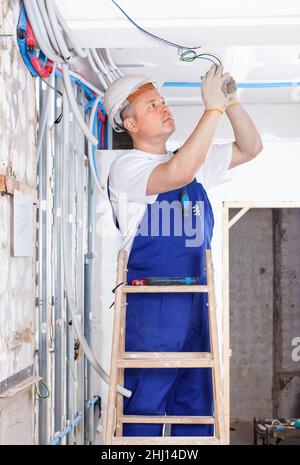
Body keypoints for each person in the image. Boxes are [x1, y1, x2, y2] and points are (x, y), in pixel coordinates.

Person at [103, 64, 263, 437]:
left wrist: (232, 102)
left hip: (197, 300)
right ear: (131, 125)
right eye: (152, 106)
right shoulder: (127, 168)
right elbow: (177, 173)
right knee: (144, 406)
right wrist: (212, 111)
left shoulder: (192, 159)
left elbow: (251, 147)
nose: (164, 107)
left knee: (195, 407)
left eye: (162, 101)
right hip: (152, 305)